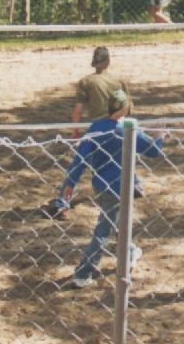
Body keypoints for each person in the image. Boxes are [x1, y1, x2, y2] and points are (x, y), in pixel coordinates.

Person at [54, 90, 165, 288]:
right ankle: (84, 272)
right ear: (125, 108)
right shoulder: (128, 129)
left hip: (101, 185)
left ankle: (129, 250)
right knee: (104, 229)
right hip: (120, 186)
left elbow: (79, 162)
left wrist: (67, 189)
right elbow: (154, 151)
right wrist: (159, 135)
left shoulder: (96, 128)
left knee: (116, 219)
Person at [71, 46, 131, 139]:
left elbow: (78, 110)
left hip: (97, 127)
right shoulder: (118, 81)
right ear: (108, 62)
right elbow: (126, 107)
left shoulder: (85, 82)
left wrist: (75, 131)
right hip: (117, 126)